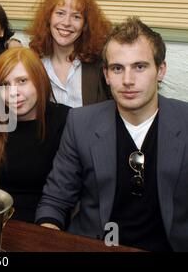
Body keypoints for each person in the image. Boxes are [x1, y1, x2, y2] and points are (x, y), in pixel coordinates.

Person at [35, 17, 188, 251]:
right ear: (106, 74)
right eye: (118, 68)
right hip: (95, 245)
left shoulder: (184, 122)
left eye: (140, 66)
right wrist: (48, 238)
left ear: (161, 70)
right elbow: (56, 199)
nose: (128, 80)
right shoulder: (80, 123)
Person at [0, 47, 69, 222]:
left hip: (47, 223)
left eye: (22, 81)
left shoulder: (66, 121)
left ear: (39, 79)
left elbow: (70, 193)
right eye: (5, 85)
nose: (13, 93)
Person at [28, 0, 111, 107]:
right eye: (60, 13)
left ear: (85, 25)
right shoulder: (34, 64)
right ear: (48, 18)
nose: (66, 23)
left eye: (76, 17)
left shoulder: (99, 66)